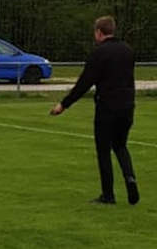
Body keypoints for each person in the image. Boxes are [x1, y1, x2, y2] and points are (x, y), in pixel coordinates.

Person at [50, 16, 139, 205]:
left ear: (99, 32)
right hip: (128, 105)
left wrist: (64, 104)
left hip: (107, 107)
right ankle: (130, 178)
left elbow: (85, 83)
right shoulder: (128, 50)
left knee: (104, 150)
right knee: (121, 145)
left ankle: (108, 195)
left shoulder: (99, 53)